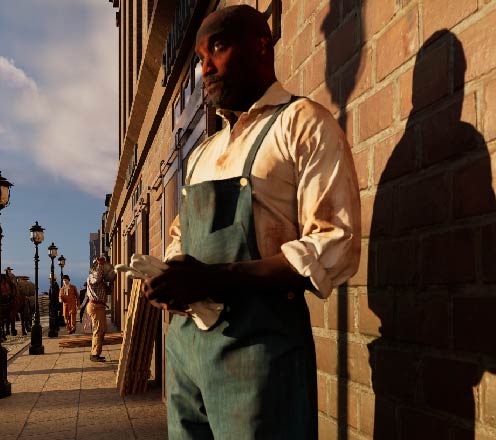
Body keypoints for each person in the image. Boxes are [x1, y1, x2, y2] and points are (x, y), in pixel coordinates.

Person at [142, 5, 361, 438]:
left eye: (217, 49)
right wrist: (169, 280)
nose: (206, 68)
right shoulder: (204, 152)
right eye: (200, 58)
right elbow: (180, 237)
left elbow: (332, 244)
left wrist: (215, 280)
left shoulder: (303, 123)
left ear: (262, 45)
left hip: (261, 352)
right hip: (186, 352)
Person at [86, 257, 111, 362]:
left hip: (99, 306)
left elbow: (107, 290)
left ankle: (96, 352)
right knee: (98, 330)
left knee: (101, 330)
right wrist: (100, 264)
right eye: (98, 266)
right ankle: (94, 354)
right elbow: (97, 279)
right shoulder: (92, 277)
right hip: (95, 307)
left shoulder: (100, 279)